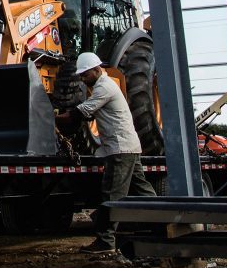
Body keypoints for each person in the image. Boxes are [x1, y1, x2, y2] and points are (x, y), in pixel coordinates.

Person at [58, 51, 156, 255]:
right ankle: (164, 223)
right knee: (143, 190)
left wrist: (52, 117)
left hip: (120, 149)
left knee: (112, 194)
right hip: (128, 147)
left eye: (85, 75)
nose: (83, 79)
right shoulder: (103, 86)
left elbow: (81, 112)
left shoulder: (104, 87)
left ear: (96, 70)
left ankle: (105, 241)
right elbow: (87, 116)